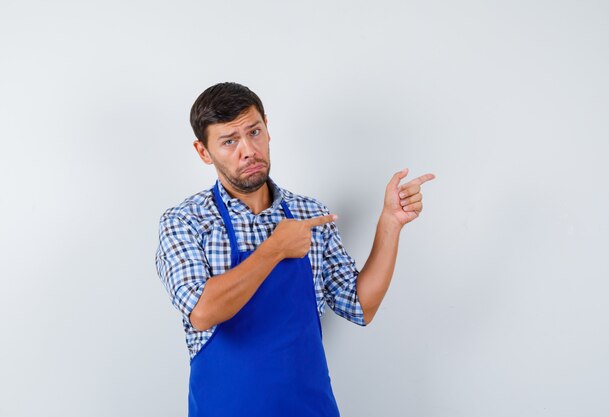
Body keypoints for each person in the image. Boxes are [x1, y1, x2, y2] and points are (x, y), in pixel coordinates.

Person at [154, 82, 435, 417]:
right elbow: (202, 313)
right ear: (203, 152)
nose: (248, 150)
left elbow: (361, 305)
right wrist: (275, 248)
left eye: (254, 132)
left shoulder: (310, 213)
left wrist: (390, 223)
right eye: (229, 141)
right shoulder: (185, 221)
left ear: (267, 129)